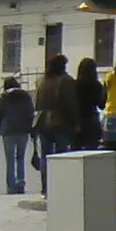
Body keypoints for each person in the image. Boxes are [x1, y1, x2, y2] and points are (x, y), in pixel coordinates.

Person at [32, 53, 78, 193]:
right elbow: (71, 104)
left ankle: (46, 187)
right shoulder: (66, 81)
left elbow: (37, 103)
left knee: (46, 156)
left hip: (43, 123)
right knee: (61, 156)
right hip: (60, 123)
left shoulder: (41, 81)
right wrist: (75, 122)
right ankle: (60, 187)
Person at [0, 78, 34, 194]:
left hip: (8, 132)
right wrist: (32, 131)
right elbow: (31, 113)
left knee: (10, 160)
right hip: (23, 131)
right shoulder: (26, 97)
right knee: (20, 158)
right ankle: (21, 183)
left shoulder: (5, 98)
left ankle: (11, 186)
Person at [74, 57, 105, 151]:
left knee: (76, 151)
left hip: (77, 121)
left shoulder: (74, 85)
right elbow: (101, 105)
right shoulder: (96, 85)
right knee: (92, 151)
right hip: (91, 120)